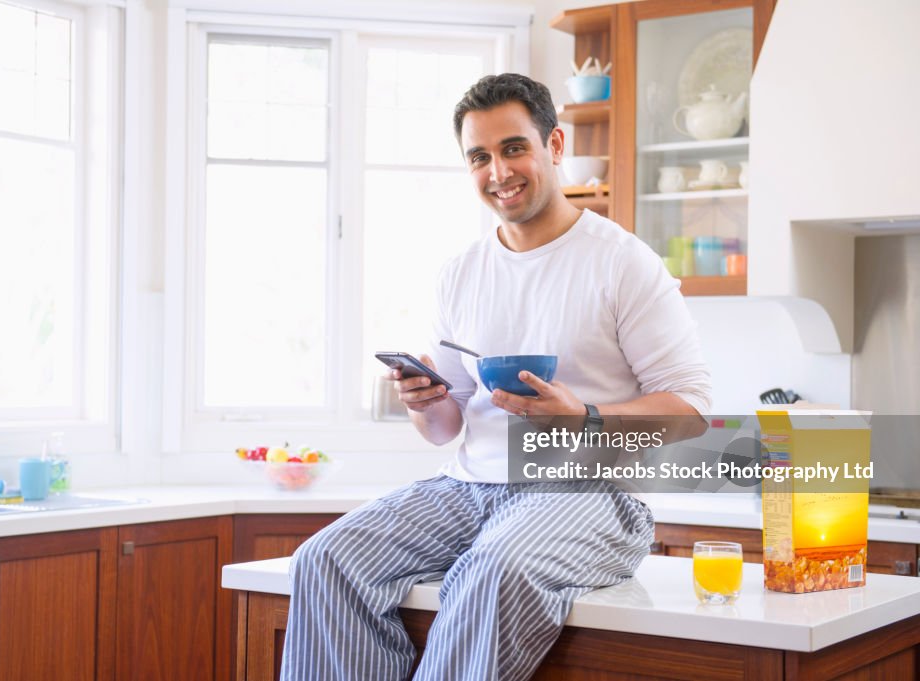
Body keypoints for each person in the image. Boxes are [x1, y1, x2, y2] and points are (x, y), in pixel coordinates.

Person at [280, 73, 711, 681]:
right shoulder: (460, 273)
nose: (498, 172)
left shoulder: (622, 262)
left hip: (590, 495)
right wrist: (421, 397)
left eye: (514, 148)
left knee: (492, 569)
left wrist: (583, 418)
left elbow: (690, 409)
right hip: (467, 489)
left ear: (554, 146)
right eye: (479, 157)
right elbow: (443, 427)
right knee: (326, 558)